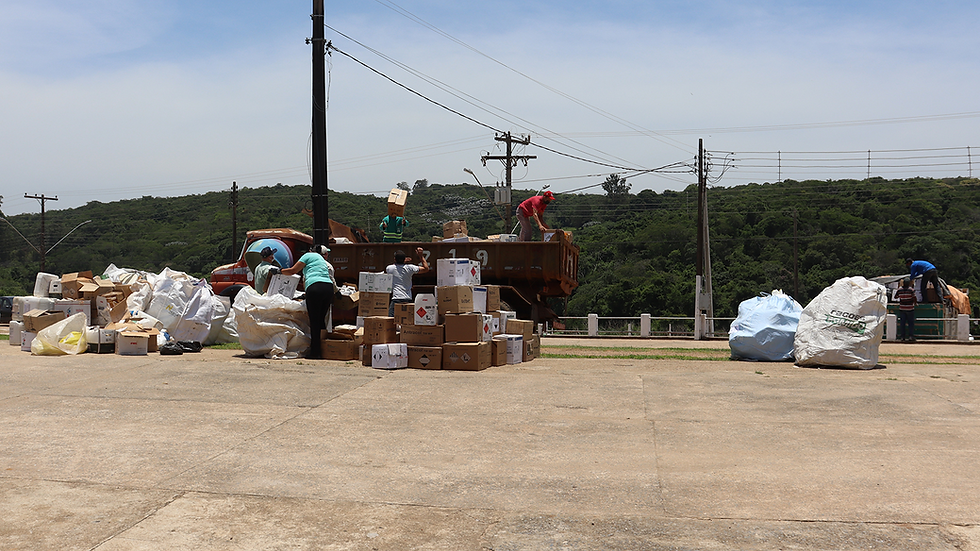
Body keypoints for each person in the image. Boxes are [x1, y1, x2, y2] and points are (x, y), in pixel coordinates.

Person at [278, 244, 334, 359]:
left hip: (315, 287)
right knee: (321, 320)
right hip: (328, 288)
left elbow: (293, 270)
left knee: (314, 322)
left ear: (310, 250)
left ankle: (315, 353)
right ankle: (325, 350)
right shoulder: (321, 260)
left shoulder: (308, 255)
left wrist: (280, 271)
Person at [385, 247, 430, 316]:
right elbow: (426, 268)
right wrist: (421, 256)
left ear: (394, 259)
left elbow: (395, 266)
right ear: (404, 259)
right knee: (406, 320)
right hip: (407, 298)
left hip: (396, 299)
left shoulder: (389, 268)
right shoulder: (410, 268)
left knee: (391, 319)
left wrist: (402, 261)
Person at [894, 278, 917, 342]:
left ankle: (902, 337)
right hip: (910, 308)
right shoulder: (911, 290)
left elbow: (895, 297)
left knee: (902, 323)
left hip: (902, 308)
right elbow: (914, 297)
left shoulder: (899, 290)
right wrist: (915, 303)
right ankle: (910, 336)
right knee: (910, 323)